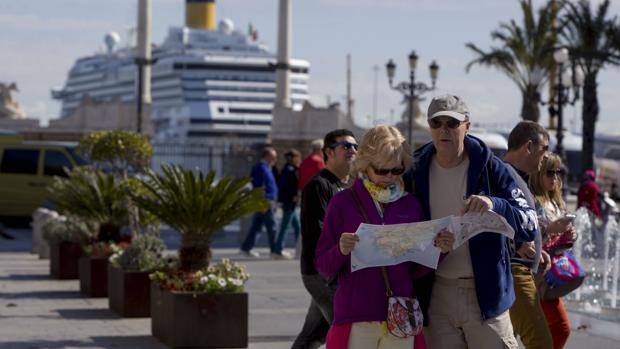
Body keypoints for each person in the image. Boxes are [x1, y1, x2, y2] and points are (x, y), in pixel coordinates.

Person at [405, 95, 538, 349]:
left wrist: (494, 203)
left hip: (486, 297)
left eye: (452, 123)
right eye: (437, 123)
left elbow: (529, 225)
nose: (444, 129)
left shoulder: (492, 169)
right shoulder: (414, 169)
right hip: (436, 296)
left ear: (467, 125)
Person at [315, 125, 454, 349]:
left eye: (397, 170)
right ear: (365, 165)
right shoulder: (343, 202)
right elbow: (323, 266)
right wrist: (340, 249)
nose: (389, 177)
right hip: (356, 316)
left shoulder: (410, 204)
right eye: (381, 170)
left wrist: (440, 250)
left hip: (400, 315)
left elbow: (416, 270)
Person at [292, 129, 357, 348]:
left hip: (340, 272)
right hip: (321, 274)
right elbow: (317, 234)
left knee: (313, 335)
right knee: (347, 332)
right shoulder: (318, 186)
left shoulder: (352, 184)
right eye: (346, 146)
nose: (352, 150)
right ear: (328, 151)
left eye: (355, 146)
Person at [503, 121, 555, 349]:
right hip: (514, 271)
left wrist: (538, 247)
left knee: (506, 342)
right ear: (529, 147)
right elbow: (487, 215)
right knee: (540, 343)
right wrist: (515, 243)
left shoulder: (515, 175)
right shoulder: (503, 174)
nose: (547, 155)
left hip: (518, 270)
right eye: (545, 148)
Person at [529, 153, 578, 349]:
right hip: (536, 275)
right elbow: (525, 232)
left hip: (552, 274)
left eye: (558, 172)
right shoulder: (532, 199)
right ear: (538, 173)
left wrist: (569, 236)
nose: (555, 177)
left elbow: (560, 241)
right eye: (550, 172)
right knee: (560, 328)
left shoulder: (556, 201)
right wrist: (550, 229)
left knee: (538, 331)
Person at [239, 146, 279, 258]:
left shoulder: (266, 168)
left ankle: (246, 248)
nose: (275, 160)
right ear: (266, 156)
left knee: (256, 226)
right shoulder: (260, 168)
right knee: (272, 226)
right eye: (273, 157)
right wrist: (262, 202)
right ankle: (275, 250)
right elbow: (259, 186)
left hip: (266, 200)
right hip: (265, 201)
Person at [274, 148, 302, 259]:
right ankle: (278, 250)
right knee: (285, 227)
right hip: (289, 202)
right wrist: (293, 196)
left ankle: (300, 248)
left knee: (297, 227)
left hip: (291, 202)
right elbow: (286, 185)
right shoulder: (289, 169)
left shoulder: (289, 168)